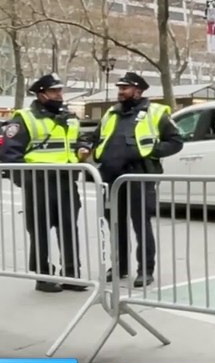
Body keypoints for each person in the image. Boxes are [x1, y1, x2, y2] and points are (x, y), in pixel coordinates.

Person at [77, 72, 183, 287]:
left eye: (125, 88)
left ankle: (146, 270)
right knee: (114, 223)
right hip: (111, 177)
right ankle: (119, 267)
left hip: (139, 176)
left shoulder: (155, 112)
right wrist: (86, 144)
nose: (120, 92)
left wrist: (151, 151)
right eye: (120, 88)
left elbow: (175, 141)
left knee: (140, 224)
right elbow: (95, 136)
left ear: (138, 90)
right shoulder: (111, 113)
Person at [2, 73, 87, 293]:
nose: (59, 95)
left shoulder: (69, 116)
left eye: (60, 91)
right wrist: (27, 180)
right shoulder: (25, 118)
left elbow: (77, 141)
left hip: (66, 180)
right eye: (54, 91)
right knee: (39, 230)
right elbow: (11, 153)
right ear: (41, 94)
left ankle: (72, 274)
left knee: (69, 228)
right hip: (39, 181)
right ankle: (43, 275)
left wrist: (81, 149)